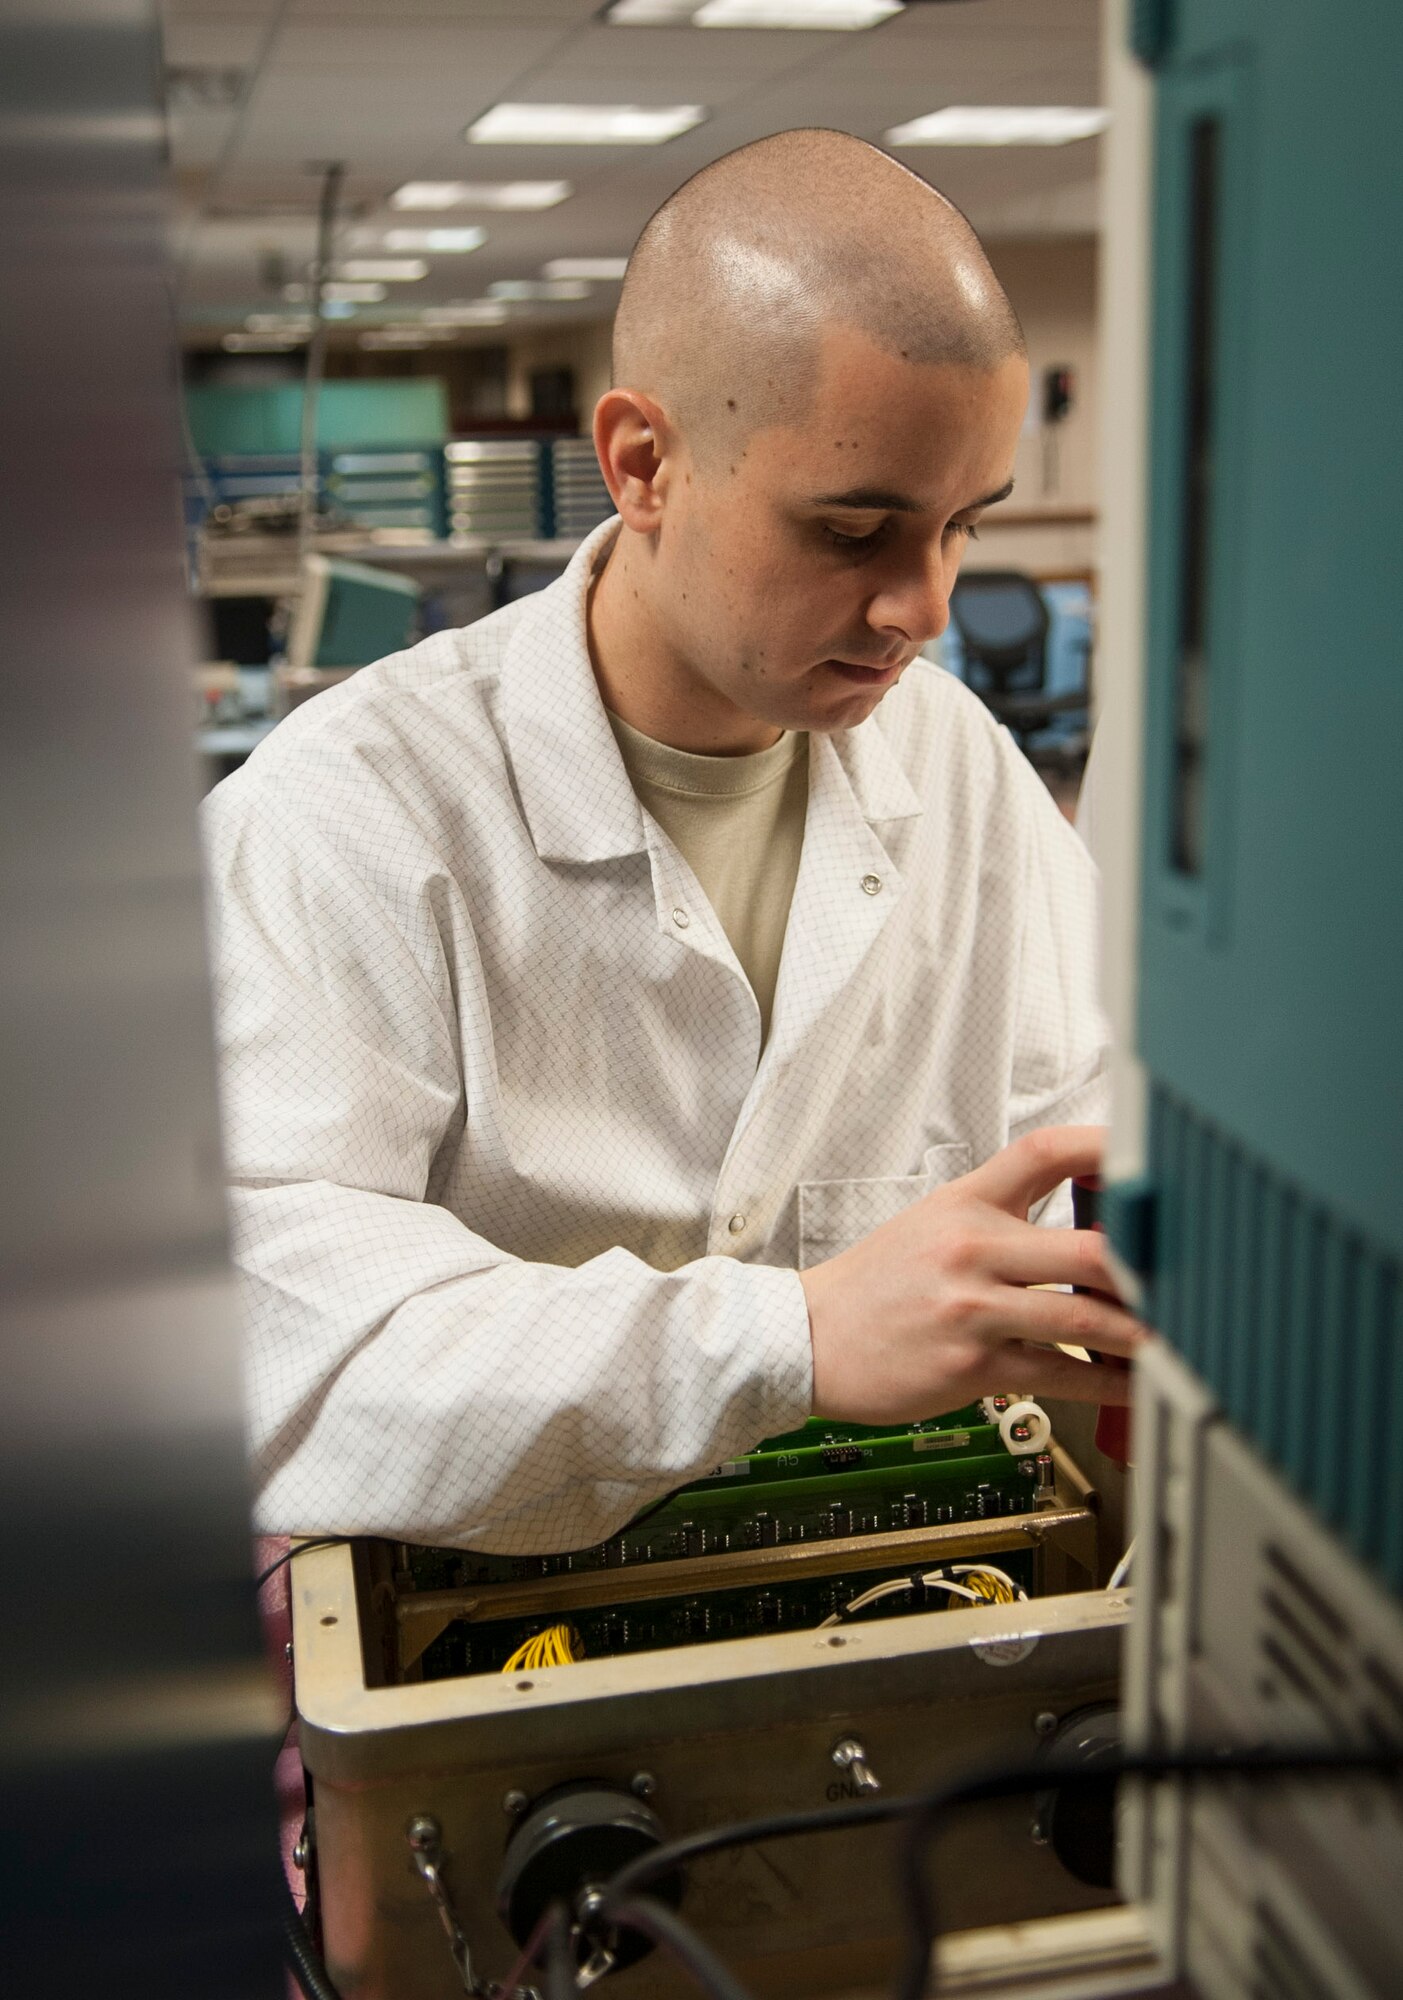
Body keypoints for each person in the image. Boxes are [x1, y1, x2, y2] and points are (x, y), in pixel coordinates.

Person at [203, 129, 1142, 1555]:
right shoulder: (348, 817)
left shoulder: (958, 770)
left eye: (961, 528)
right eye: (853, 531)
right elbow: (287, 1354)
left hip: (909, 1592)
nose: (925, 609)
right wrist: (793, 1335)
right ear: (643, 463)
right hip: (490, 1647)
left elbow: (1083, 1134)